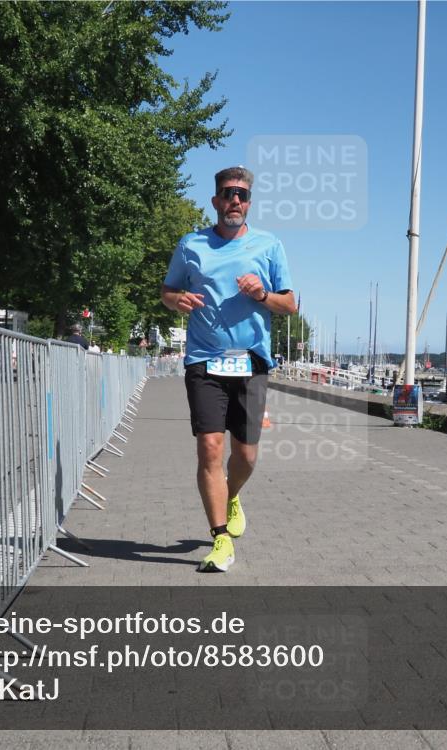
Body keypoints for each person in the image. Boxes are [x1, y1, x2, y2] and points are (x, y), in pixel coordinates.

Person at [161, 165, 295, 572]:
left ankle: (231, 494)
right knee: (209, 448)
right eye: (227, 193)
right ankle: (220, 538)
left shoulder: (269, 246)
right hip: (203, 360)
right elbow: (167, 291)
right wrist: (176, 300)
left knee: (247, 455)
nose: (234, 200)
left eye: (241, 194)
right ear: (216, 201)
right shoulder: (191, 245)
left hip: (251, 362)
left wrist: (262, 294)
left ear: (249, 203)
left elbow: (290, 305)